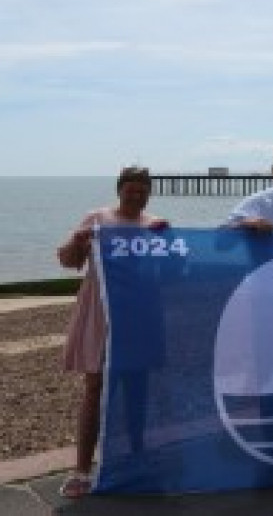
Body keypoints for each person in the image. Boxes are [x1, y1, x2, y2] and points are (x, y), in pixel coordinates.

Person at [56, 166, 170, 499]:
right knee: (95, 386)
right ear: (119, 190)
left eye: (142, 190)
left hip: (138, 315)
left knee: (138, 387)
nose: (136, 195)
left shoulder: (154, 224)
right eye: (130, 189)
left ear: (149, 193)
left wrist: (169, 240)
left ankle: (137, 456)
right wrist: (77, 241)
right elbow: (68, 261)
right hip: (101, 314)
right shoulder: (97, 218)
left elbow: (174, 267)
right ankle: (81, 469)